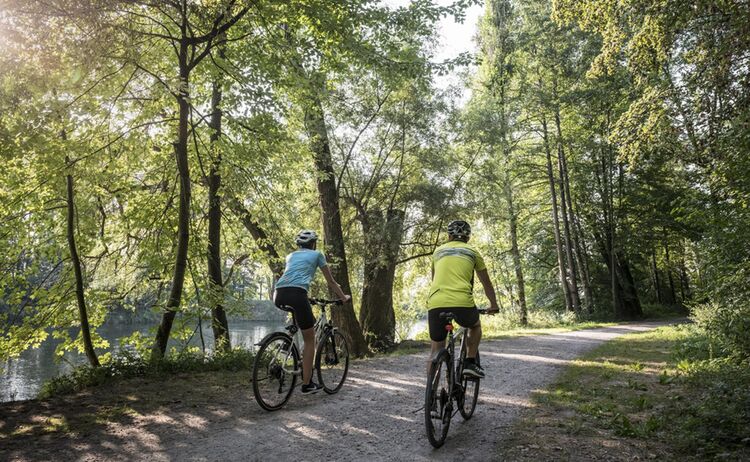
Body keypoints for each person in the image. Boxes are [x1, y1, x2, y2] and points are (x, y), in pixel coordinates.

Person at [274, 230, 351, 394]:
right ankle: (307, 384)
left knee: (300, 325)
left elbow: (293, 277)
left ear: (299, 245)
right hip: (297, 294)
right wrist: (343, 297)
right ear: (313, 243)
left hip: (279, 293)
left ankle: (283, 353)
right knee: (310, 340)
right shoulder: (317, 255)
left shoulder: (291, 256)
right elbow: (331, 281)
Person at [426, 220, 499, 378]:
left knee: (435, 350)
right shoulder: (472, 252)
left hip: (436, 303)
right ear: (468, 238)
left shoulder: (437, 252)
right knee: (475, 326)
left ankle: (430, 395)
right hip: (462, 303)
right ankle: (469, 363)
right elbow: (486, 283)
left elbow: (434, 280)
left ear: (449, 236)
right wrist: (493, 304)